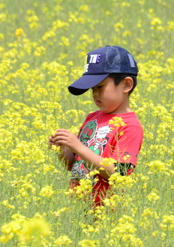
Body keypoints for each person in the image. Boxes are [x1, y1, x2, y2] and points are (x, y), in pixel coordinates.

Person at [48, 45, 144, 208]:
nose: (95, 94)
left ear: (126, 85)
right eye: (92, 89)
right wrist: (63, 148)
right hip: (78, 209)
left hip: (106, 213)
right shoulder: (92, 118)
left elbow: (119, 175)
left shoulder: (130, 126)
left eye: (100, 87)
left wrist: (77, 146)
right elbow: (74, 166)